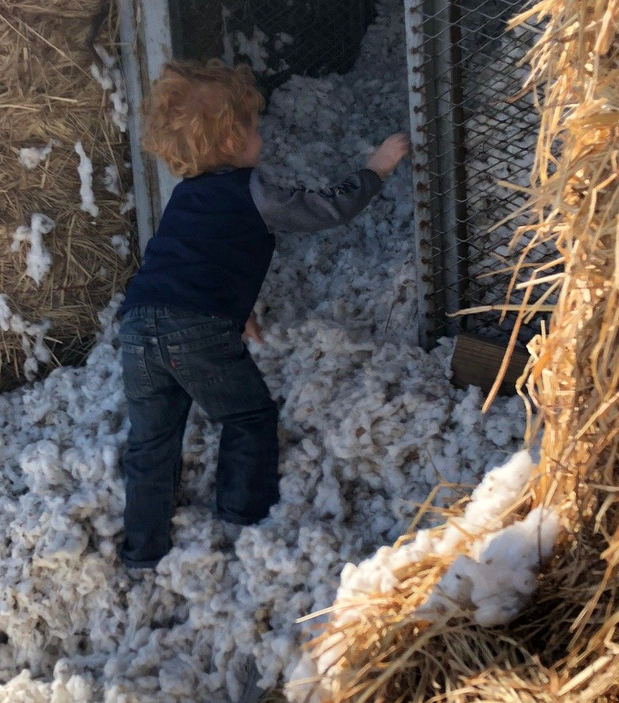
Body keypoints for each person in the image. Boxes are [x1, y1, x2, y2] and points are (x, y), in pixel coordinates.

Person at [117, 59, 408, 571]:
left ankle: (142, 552)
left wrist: (235, 309)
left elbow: (198, 261)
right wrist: (377, 168)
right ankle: (241, 515)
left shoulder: (183, 199)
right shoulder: (251, 189)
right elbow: (325, 210)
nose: (259, 134)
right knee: (248, 417)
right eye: (251, 125)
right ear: (232, 140)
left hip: (138, 323)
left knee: (151, 440)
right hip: (196, 329)